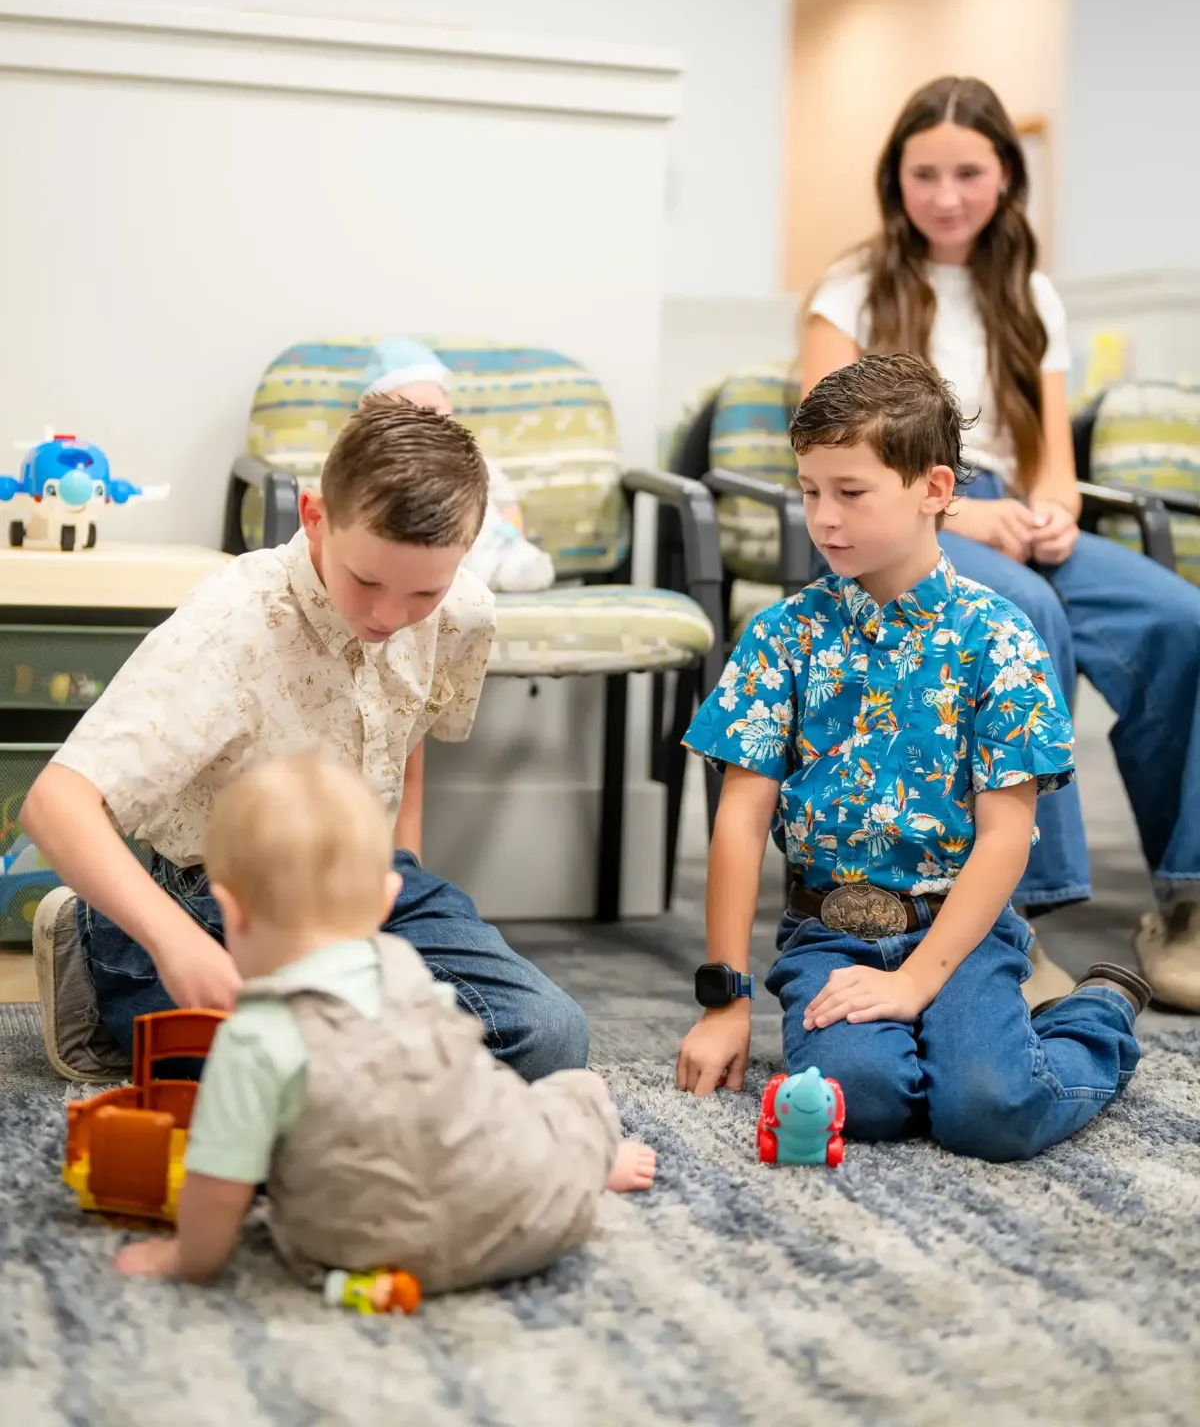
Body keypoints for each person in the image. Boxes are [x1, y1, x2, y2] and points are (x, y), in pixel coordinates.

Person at [24, 395, 589, 1084]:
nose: (389, 616)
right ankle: (100, 948)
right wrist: (175, 945)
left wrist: (402, 872)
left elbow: (409, 730)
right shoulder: (231, 626)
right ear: (314, 516)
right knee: (285, 1077)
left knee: (548, 1039)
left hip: (367, 882)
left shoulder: (464, 612)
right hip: (218, 899)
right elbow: (54, 804)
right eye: (367, 580)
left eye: (422, 595)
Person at [676, 354, 1150, 1159]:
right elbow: (740, 823)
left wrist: (916, 983)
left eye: (850, 492)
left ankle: (1095, 1014)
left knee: (990, 1111)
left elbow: (1005, 839)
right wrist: (726, 1000)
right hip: (830, 929)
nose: (823, 518)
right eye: (810, 491)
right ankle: (945, 1045)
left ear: (934, 488)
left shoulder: (999, 637)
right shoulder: (780, 636)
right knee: (862, 1097)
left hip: (964, 933)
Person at [800, 76, 1200, 1012]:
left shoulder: (1030, 293)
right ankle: (1018, 918)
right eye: (924, 174)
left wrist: (1054, 511)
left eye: (969, 173)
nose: (946, 196)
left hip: (1012, 509)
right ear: (894, 180)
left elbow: (1051, 459)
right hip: (901, 513)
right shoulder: (850, 288)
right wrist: (955, 514)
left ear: (1008, 177)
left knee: (1181, 617)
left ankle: (1189, 899)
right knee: (1022, 610)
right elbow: (823, 443)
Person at [115, 755, 655, 1292]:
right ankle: (591, 1163)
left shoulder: (253, 1036)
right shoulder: (413, 975)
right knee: (576, 1091)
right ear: (388, 900)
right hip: (527, 1221)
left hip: (362, 1255)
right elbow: (482, 1100)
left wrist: (188, 1257)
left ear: (231, 912)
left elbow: (219, 1185)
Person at [361, 337, 555, 592]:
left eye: (432, 408)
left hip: (490, 544)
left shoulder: (472, 456)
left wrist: (512, 532)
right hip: (431, 555)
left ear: (449, 407)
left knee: (521, 563)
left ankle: (510, 568)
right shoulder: (381, 468)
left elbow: (506, 502)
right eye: (406, 414)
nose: (424, 421)